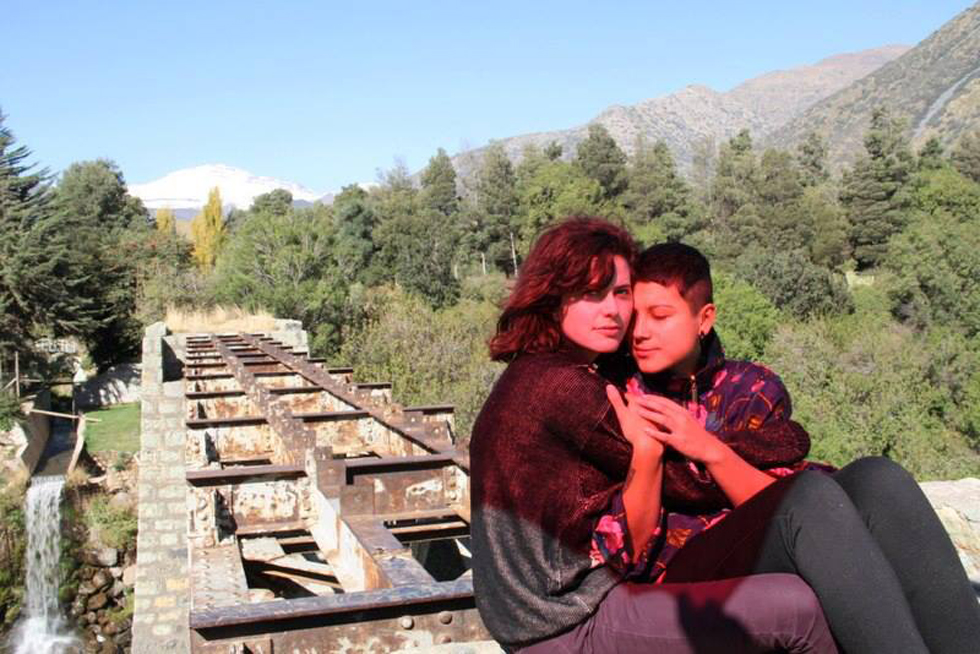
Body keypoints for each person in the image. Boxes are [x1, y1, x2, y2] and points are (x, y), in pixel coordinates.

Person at [470, 217, 837, 653]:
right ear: (553, 299)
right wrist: (787, 441)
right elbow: (689, 479)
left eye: (620, 292)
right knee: (797, 610)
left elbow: (656, 482)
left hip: (553, 608)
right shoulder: (564, 385)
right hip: (561, 624)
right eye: (590, 293)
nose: (612, 310)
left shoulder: (550, 369)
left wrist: (655, 451)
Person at [599, 241, 980, 653]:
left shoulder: (752, 388)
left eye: (660, 316)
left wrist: (707, 449)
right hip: (676, 567)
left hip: (755, 540)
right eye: (635, 317)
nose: (640, 332)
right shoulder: (619, 393)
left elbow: (775, 501)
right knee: (811, 495)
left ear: (704, 318)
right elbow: (795, 505)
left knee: (878, 477)